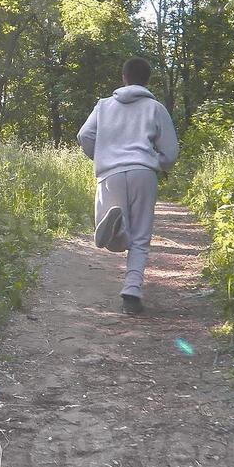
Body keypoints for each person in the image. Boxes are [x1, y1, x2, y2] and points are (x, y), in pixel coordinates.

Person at [76, 56, 179, 314]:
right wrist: (158, 162)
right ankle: (132, 292)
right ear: (147, 80)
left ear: (123, 78)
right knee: (141, 237)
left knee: (110, 239)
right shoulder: (155, 108)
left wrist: (100, 154)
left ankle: (118, 228)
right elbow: (171, 152)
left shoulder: (103, 106)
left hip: (110, 173)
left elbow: (84, 135)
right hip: (143, 172)